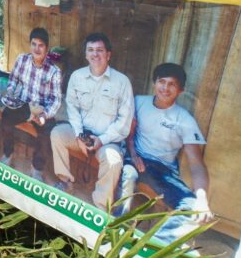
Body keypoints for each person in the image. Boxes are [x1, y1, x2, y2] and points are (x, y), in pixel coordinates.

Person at [120, 62, 213, 241]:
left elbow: (196, 164)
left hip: (163, 170)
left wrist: (202, 198)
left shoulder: (184, 119)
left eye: (172, 84)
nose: (165, 88)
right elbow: (129, 136)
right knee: (128, 175)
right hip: (135, 159)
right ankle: (116, 229)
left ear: (180, 90)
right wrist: (132, 154)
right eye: (162, 81)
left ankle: (154, 247)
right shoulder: (138, 102)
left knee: (192, 207)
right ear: (154, 83)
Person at [50, 32, 133, 212]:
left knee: (113, 161)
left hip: (107, 141)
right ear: (86, 54)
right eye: (91, 50)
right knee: (57, 134)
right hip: (81, 133)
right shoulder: (77, 77)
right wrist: (79, 135)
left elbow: (124, 122)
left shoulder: (122, 82)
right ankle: (66, 182)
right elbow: (72, 108)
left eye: (100, 50)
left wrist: (101, 140)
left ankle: (100, 207)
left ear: (108, 54)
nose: (95, 54)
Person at [1, 27, 62, 178]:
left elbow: (56, 99)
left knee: (47, 133)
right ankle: (8, 154)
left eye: (41, 45)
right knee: (5, 118)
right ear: (30, 45)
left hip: (41, 110)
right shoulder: (22, 59)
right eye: (34, 44)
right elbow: (13, 80)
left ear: (47, 49)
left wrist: (44, 115)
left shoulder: (54, 71)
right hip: (22, 106)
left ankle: (37, 169)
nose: (37, 49)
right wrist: (11, 93)